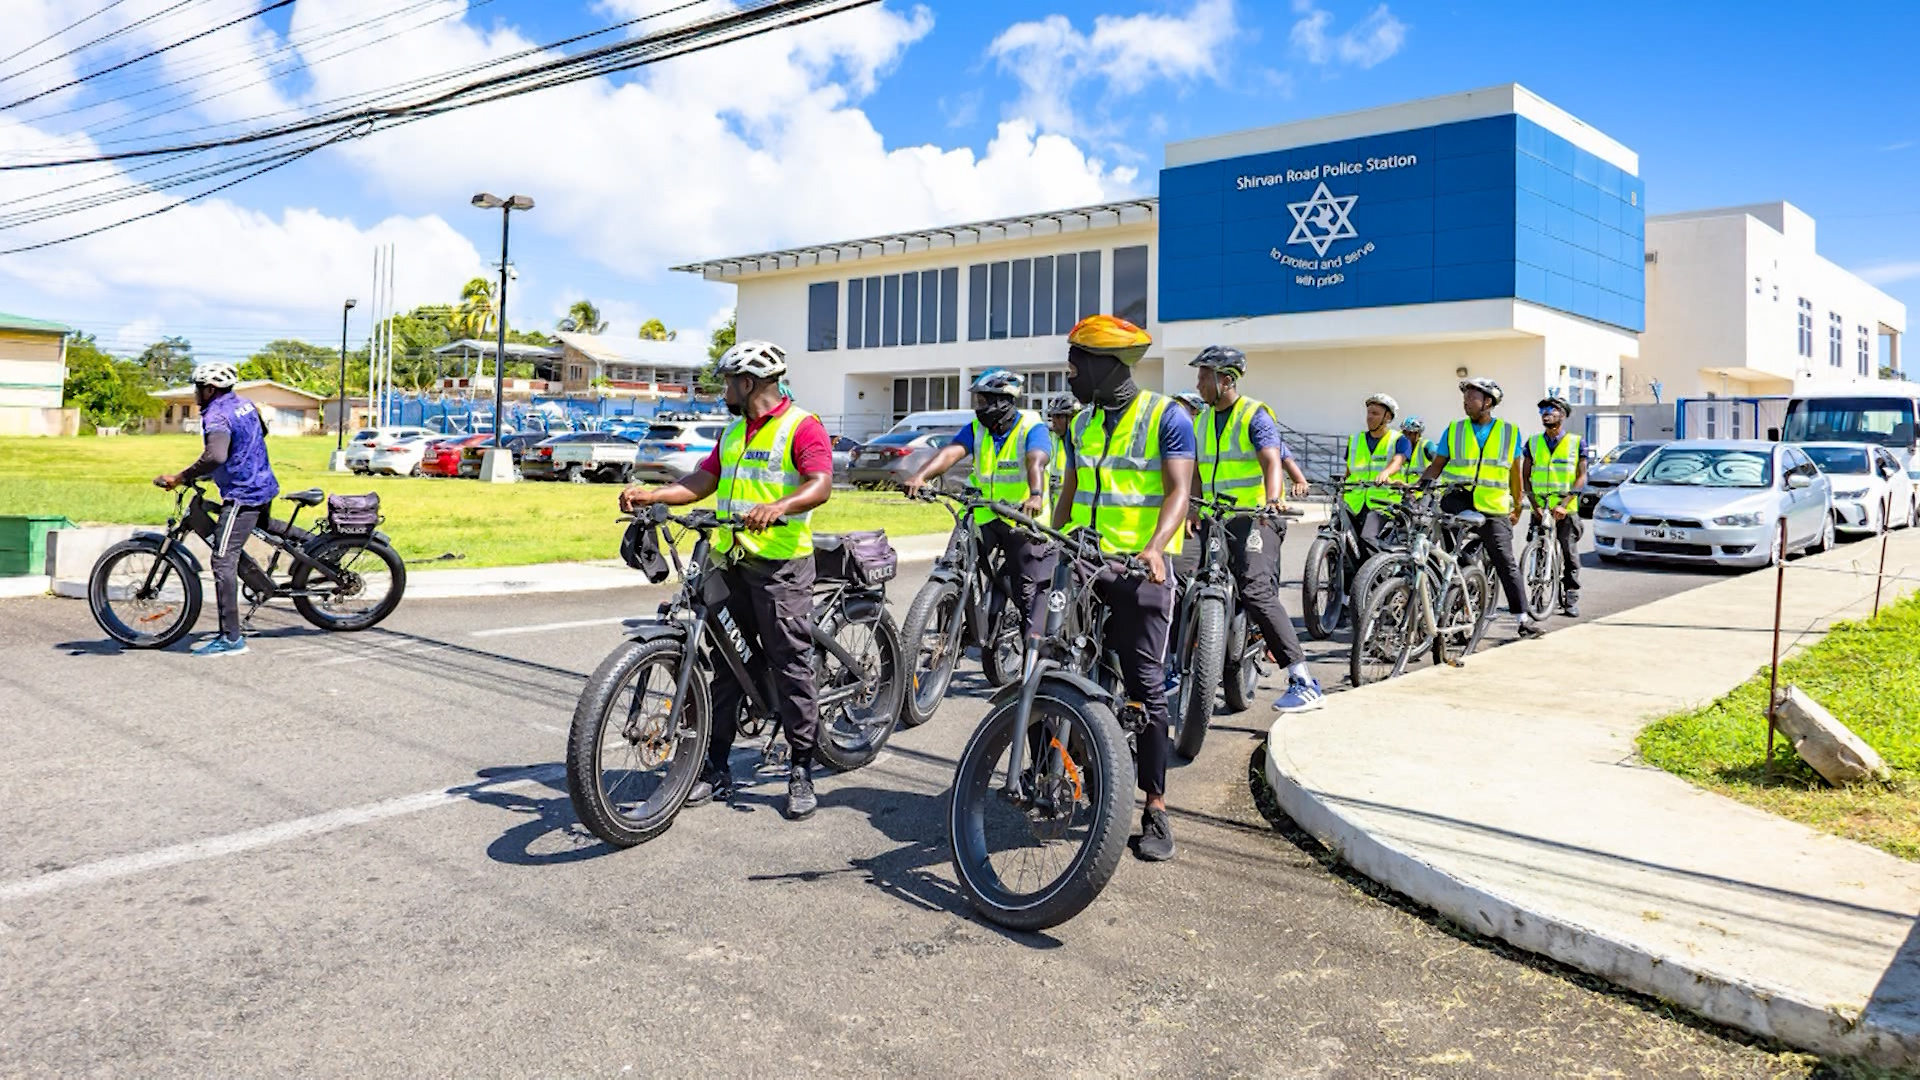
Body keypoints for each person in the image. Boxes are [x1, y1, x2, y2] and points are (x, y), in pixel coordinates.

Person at [618, 340, 834, 820]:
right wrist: (654, 494)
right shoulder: (735, 432)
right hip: (730, 557)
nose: (723, 390)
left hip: (780, 564)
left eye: (728, 381)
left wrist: (780, 506)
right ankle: (713, 767)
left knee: (791, 662)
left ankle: (801, 767)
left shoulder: (802, 426)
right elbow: (704, 480)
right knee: (726, 663)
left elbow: (820, 483)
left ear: (749, 383)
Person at [1052, 314, 1194, 863]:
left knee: (1146, 685)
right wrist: (1053, 541)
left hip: (1140, 571)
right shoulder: (1083, 424)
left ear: (1105, 365)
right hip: (1085, 563)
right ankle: (1059, 766)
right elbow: (1070, 489)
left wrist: (1157, 546)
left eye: (1075, 364)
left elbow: (1178, 491)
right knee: (1054, 660)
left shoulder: (1166, 418)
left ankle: (1155, 804)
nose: (1068, 374)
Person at [1185, 346, 1322, 714]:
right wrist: (1193, 510)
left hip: (1257, 516)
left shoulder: (1254, 415)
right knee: (1188, 580)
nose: (1197, 383)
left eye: (1203, 376)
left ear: (1225, 380)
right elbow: (1196, 473)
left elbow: (1271, 460)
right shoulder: (1200, 421)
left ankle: (1302, 678)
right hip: (1218, 518)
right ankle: (1184, 663)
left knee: (1256, 589)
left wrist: (1273, 498)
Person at [901, 369, 1057, 639]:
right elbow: (951, 452)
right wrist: (921, 476)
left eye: (984, 401)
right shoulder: (977, 428)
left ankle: (1035, 655)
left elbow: (1037, 460)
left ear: (1004, 401)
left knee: (1029, 592)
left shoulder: (1032, 426)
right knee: (953, 564)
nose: (978, 408)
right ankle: (947, 636)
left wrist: (1035, 494)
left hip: (1021, 518)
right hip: (982, 512)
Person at [152, 360, 279, 658]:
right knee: (261, 529)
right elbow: (259, 432)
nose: (195, 394)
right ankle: (287, 566)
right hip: (262, 483)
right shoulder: (244, 404)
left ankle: (231, 639)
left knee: (223, 560)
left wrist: (181, 477)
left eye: (198, 388)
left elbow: (216, 455)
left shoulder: (217, 416)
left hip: (243, 493)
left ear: (210, 389)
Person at [1421, 377, 1540, 638]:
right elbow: (1437, 465)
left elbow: (1514, 474)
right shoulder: (1454, 429)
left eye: (1472, 397)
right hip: (1456, 500)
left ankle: (1522, 617)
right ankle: (1461, 586)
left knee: (1505, 560)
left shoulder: (1509, 431)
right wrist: (1419, 488)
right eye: (1465, 397)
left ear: (1488, 402)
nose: (1466, 402)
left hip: (1493, 506)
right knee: (1450, 553)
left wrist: (1517, 507)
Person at [1524, 395, 1587, 619]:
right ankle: (1537, 594)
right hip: (1540, 507)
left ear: (1563, 414)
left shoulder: (1576, 442)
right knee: (1538, 550)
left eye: (1552, 409)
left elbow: (1581, 477)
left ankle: (1571, 595)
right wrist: (1534, 505)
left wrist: (1564, 504)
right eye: (1543, 410)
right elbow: (1526, 478)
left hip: (1565, 508)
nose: (1546, 413)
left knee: (1569, 553)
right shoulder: (1532, 443)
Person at [1344, 393, 1411, 552]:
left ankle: (1376, 575)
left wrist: (1386, 472)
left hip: (1382, 502)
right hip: (1353, 500)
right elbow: (1348, 470)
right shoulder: (1355, 439)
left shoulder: (1399, 440)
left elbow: (1399, 460)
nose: (1370, 417)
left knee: (1368, 537)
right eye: (1369, 413)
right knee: (1344, 538)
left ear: (1387, 417)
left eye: (1375, 413)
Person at [1045, 393, 1078, 508]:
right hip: (1050, 505)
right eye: (1052, 416)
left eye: (1059, 417)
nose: (1054, 421)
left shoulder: (1080, 442)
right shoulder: (1048, 437)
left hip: (1073, 505)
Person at [1398, 416, 1432, 483]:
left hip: (1422, 492)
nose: (1406, 436)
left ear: (1418, 434)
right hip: (1402, 491)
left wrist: (1422, 482)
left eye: (1410, 433)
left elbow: (1439, 462)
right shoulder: (1399, 446)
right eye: (1404, 432)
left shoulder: (1426, 446)